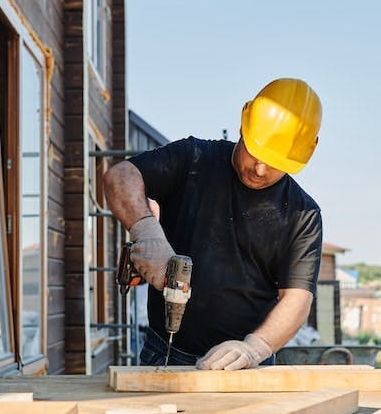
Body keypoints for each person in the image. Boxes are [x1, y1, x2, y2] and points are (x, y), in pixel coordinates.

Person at [103, 78, 323, 370]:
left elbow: (297, 300)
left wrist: (255, 347)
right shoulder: (193, 159)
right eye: (255, 153)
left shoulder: (302, 214)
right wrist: (146, 231)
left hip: (244, 364)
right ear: (243, 126)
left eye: (275, 162)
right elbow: (120, 176)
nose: (260, 169)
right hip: (166, 352)